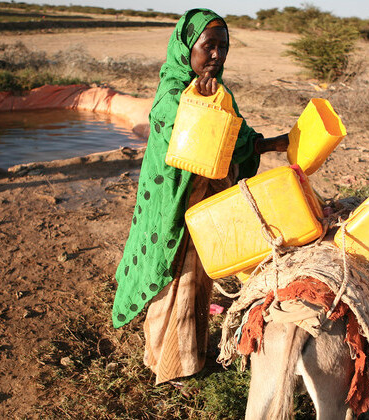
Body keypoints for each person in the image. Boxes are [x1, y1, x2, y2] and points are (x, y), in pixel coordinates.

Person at [112, 8, 288, 385]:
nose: (217, 56)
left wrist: (270, 143)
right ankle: (171, 364)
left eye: (223, 48)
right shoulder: (173, 93)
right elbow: (190, 140)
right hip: (175, 202)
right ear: (187, 47)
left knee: (197, 279)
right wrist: (202, 104)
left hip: (205, 200)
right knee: (178, 278)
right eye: (209, 46)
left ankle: (189, 354)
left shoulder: (217, 90)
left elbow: (235, 134)